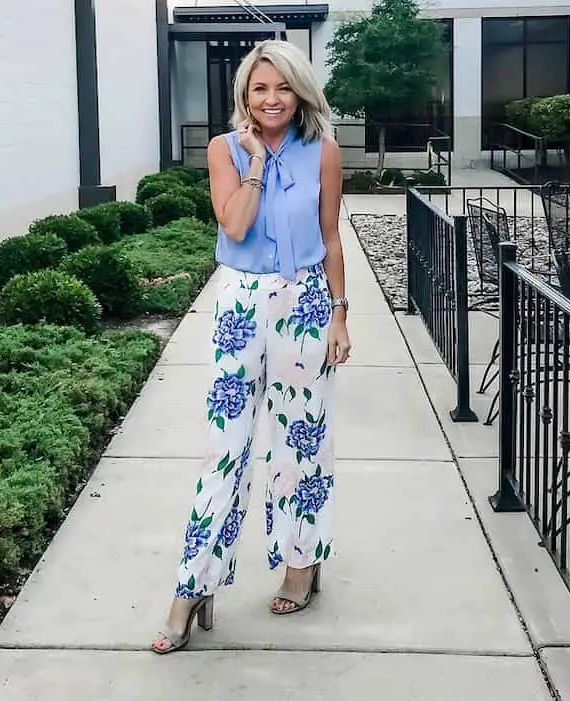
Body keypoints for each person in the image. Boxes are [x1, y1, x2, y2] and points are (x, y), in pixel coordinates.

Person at [151, 39, 351, 654]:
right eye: (260, 88)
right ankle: (194, 587)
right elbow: (234, 225)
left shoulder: (324, 150)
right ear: (245, 95)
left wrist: (340, 315)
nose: (272, 99)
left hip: (308, 304)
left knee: (301, 441)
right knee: (225, 448)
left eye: (282, 87)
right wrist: (256, 166)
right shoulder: (223, 150)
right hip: (241, 306)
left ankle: (302, 562)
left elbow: (331, 237)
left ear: (299, 93)